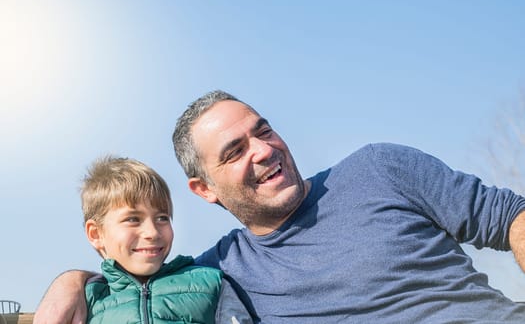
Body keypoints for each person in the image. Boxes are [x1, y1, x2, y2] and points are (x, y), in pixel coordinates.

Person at [35, 90, 525, 323]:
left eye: (263, 130)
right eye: (235, 151)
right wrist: (72, 280)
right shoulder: (220, 272)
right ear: (204, 191)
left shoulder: (381, 169)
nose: (264, 150)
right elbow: (137, 279)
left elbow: (511, 218)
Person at [77, 155, 252, 324]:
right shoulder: (84, 302)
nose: (152, 232)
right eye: (133, 219)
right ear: (96, 234)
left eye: (162, 218)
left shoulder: (209, 284)